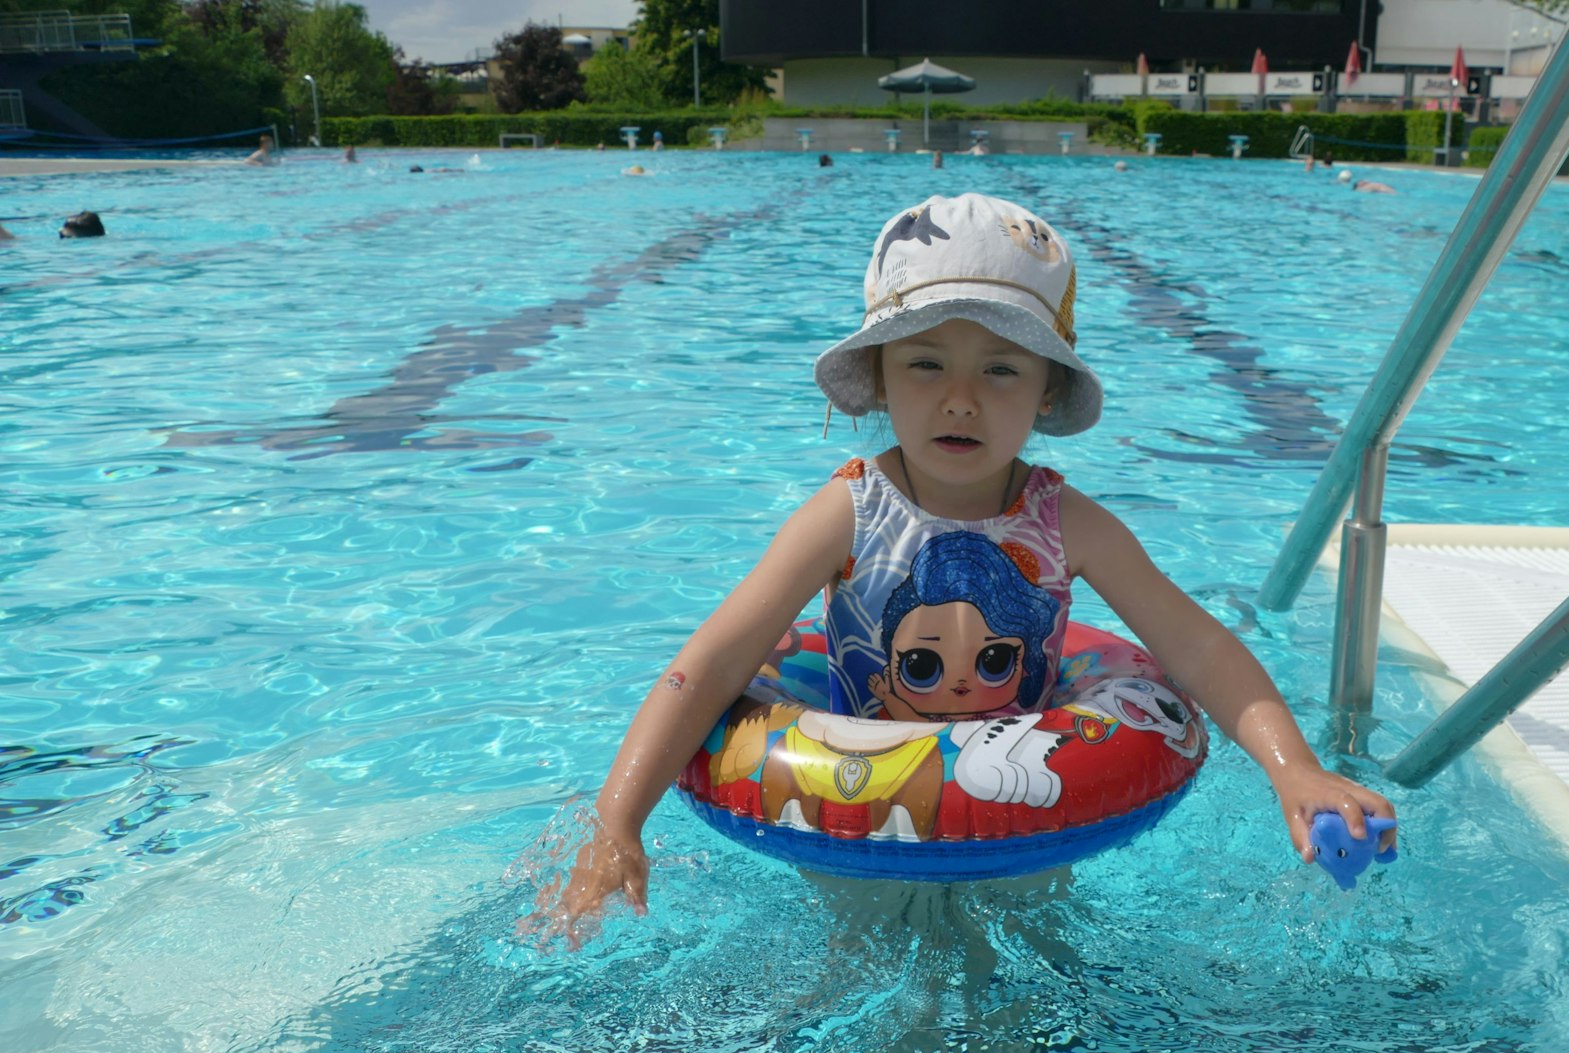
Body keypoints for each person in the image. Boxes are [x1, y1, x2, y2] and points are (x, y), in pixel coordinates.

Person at [533, 192, 1399, 945]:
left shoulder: (1068, 522)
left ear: (1047, 391)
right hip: (863, 838)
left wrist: (1294, 765)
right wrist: (618, 820)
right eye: (925, 364)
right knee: (865, 1002)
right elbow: (714, 662)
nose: (961, 398)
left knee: (1028, 1012)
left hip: (1023, 836)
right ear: (879, 376)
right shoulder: (846, 512)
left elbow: (1196, 647)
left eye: (1001, 369)